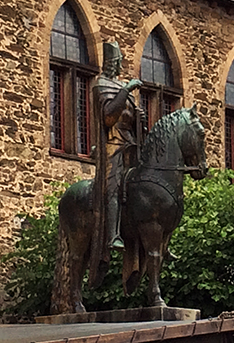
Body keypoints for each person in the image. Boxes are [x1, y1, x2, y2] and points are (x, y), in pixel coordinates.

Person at [88, 41, 142, 286]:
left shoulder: (121, 86)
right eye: (116, 61)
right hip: (112, 145)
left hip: (130, 143)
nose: (118, 65)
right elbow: (109, 116)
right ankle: (112, 236)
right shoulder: (100, 84)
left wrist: (138, 119)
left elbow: (127, 118)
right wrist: (125, 92)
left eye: (119, 60)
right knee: (112, 187)